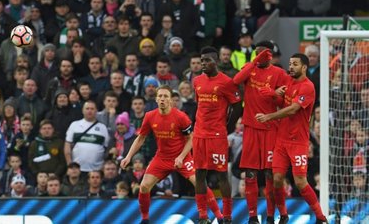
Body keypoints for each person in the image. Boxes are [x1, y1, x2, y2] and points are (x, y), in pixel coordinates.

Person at [120, 85, 224, 224]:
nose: (162, 99)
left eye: (166, 96)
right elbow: (140, 138)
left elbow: (191, 139)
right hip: (162, 158)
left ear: (170, 100)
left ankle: (220, 217)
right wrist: (128, 156)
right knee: (144, 186)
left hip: (182, 157)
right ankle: (145, 219)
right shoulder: (150, 116)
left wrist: (181, 156)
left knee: (200, 183)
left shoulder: (180, 117)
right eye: (160, 96)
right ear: (156, 99)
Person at [256, 54, 328, 224]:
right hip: (281, 140)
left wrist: (269, 117)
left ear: (304, 67)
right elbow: (283, 103)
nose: (291, 67)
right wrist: (274, 94)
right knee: (277, 179)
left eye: (295, 64)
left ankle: (320, 217)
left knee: (300, 182)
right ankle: (283, 215)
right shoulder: (287, 81)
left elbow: (293, 109)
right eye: (290, 64)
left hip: (298, 141)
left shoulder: (308, 87)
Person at [233, 41, 290, 224]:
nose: (258, 57)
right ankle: (252, 216)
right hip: (250, 128)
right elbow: (236, 80)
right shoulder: (249, 69)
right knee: (250, 174)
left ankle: (272, 216)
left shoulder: (280, 74)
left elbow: (285, 104)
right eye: (255, 54)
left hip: (271, 128)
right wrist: (255, 60)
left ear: (269, 55)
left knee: (269, 175)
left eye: (261, 54)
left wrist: (273, 94)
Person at [193, 47, 243, 223]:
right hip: (199, 134)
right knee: (199, 173)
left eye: (207, 60)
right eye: (202, 61)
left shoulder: (226, 82)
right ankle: (202, 216)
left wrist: (227, 126)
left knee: (222, 175)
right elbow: (199, 104)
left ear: (216, 61)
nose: (203, 64)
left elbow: (237, 106)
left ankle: (228, 216)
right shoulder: (197, 81)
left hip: (217, 135)